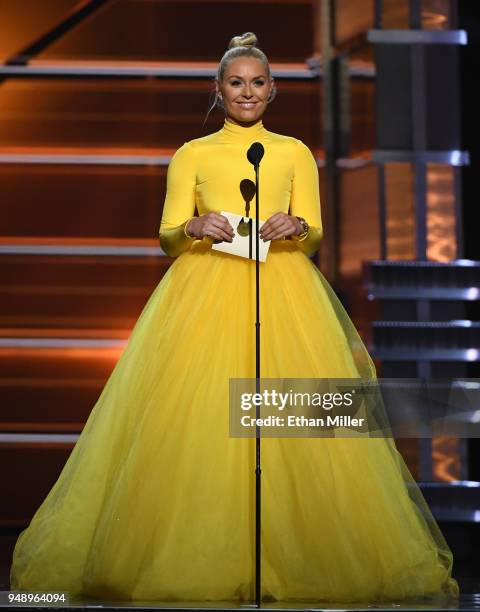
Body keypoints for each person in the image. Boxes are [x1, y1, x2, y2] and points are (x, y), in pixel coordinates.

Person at [9, 31, 459, 604]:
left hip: (285, 292)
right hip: (204, 293)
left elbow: (315, 232)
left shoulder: (295, 152)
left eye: (257, 83)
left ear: (272, 90)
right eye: (236, 83)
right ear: (219, 91)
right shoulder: (191, 155)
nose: (247, 92)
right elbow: (169, 236)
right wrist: (193, 227)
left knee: (298, 427)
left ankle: (300, 560)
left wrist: (295, 227)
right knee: (195, 424)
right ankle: (193, 559)